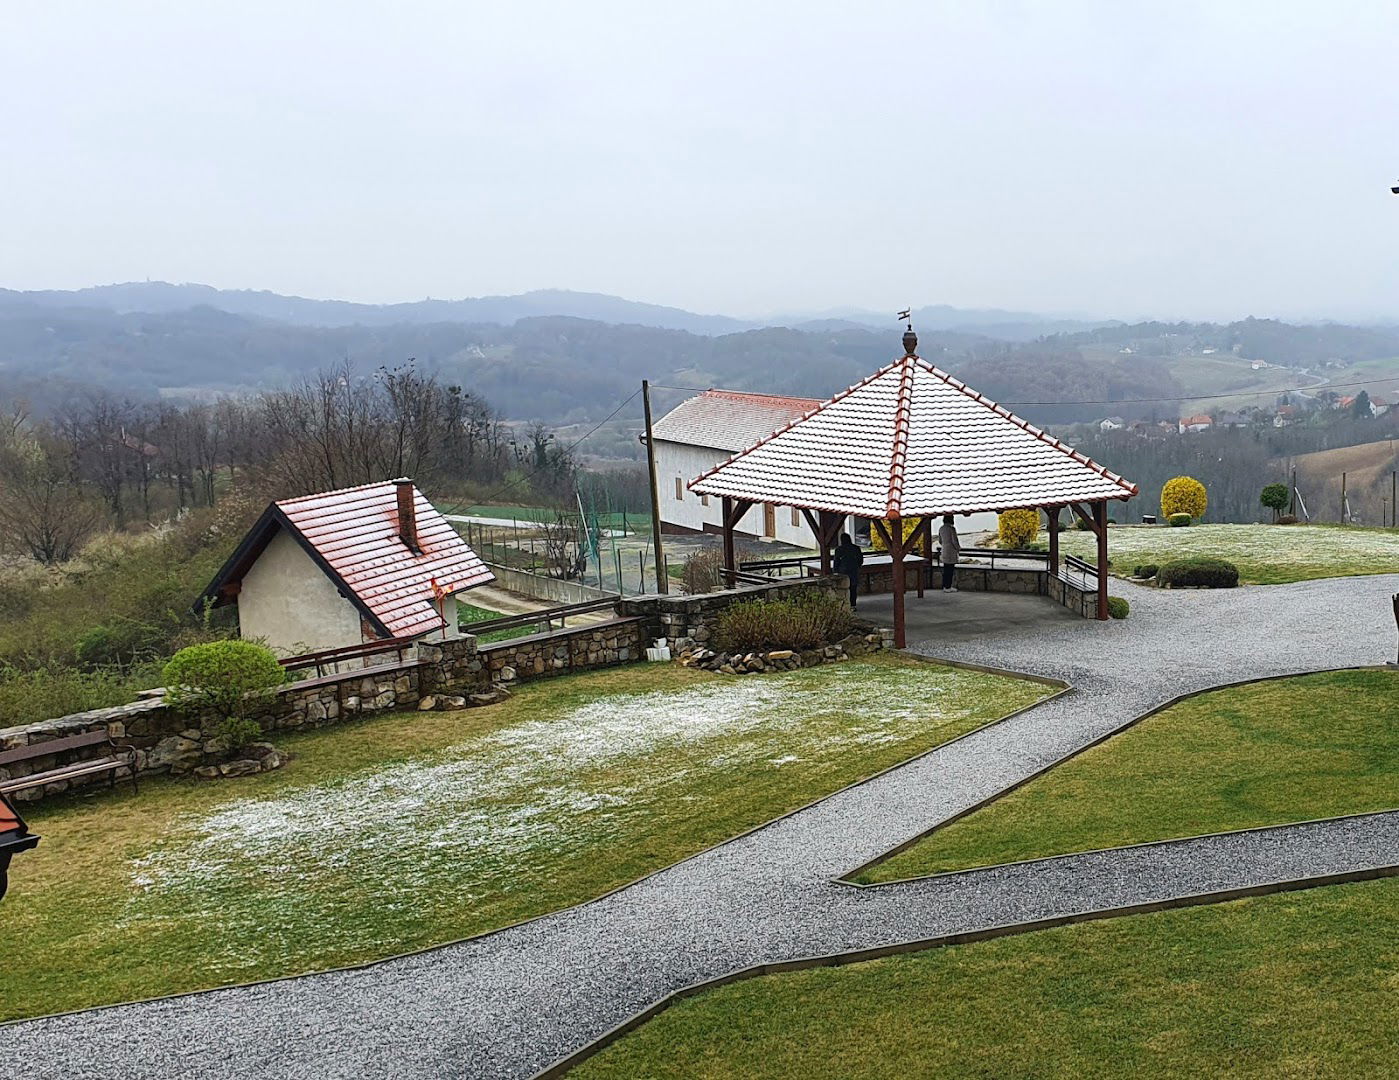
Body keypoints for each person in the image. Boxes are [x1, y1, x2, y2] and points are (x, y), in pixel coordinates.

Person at [832, 532, 864, 608]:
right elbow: (860, 560)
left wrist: (835, 572)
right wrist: (857, 566)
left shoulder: (839, 550)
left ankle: (844, 605)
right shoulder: (856, 548)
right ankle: (853, 605)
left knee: (843, 589)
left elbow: (836, 562)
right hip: (854, 571)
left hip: (843, 572)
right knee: (853, 588)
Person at [937, 514, 961, 592]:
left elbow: (940, 541)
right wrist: (958, 548)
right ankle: (948, 587)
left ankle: (945, 586)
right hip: (951, 551)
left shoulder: (941, 529)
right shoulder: (951, 529)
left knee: (946, 569)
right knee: (950, 570)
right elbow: (954, 541)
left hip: (944, 550)